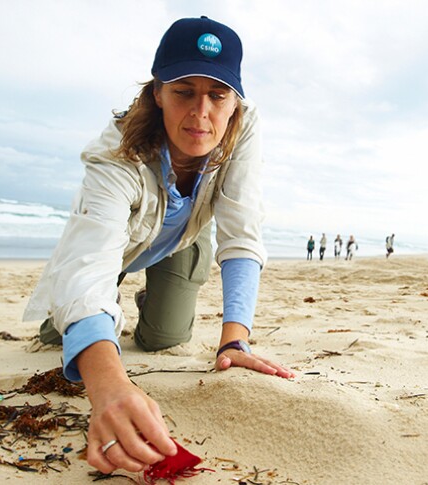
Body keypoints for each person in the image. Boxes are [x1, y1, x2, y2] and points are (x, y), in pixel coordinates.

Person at [22, 17, 295, 475]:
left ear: (235, 103)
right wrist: (108, 387)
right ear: (157, 93)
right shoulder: (115, 152)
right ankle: (98, 310)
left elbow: (240, 226)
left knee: (163, 338)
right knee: (66, 338)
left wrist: (236, 340)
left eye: (217, 95)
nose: (201, 112)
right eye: (183, 91)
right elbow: (89, 260)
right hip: (117, 249)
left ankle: (151, 301)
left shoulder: (243, 128)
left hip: (181, 243)